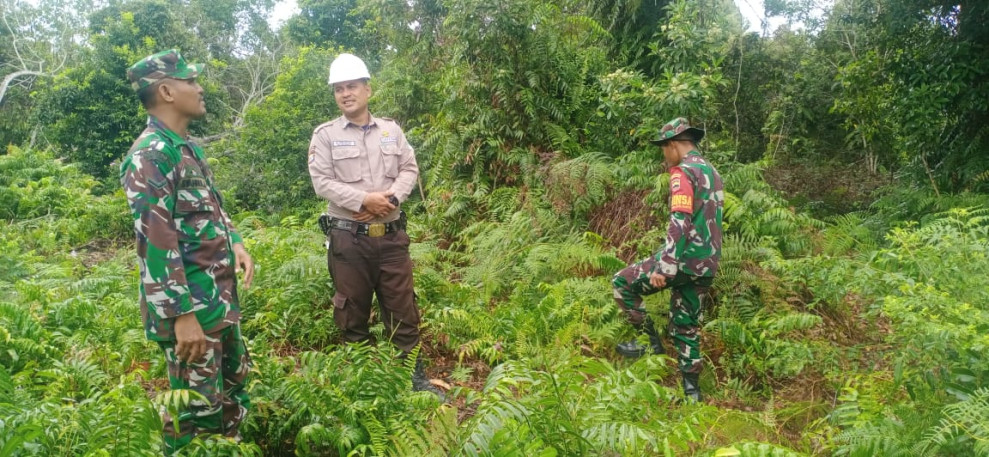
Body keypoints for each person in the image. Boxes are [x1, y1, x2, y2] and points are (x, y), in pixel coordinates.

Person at [120, 49, 255, 453]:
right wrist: (181, 317)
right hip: (191, 311)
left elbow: (211, 208)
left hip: (218, 301)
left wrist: (236, 241)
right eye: (190, 81)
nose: (199, 88)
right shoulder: (150, 156)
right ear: (166, 91)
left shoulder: (185, 147)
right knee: (195, 415)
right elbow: (155, 243)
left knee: (231, 398)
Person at [307, 53, 440, 396]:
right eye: (339, 89)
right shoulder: (325, 136)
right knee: (352, 312)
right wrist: (364, 201)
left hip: (392, 239)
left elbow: (409, 169)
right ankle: (365, 384)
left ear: (367, 89)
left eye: (352, 86)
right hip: (348, 240)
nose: (345, 93)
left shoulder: (391, 131)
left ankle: (414, 379)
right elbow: (321, 182)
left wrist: (391, 199)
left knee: (403, 308)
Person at [611, 117, 724, 402]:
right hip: (707, 264)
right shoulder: (712, 172)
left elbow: (680, 218)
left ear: (675, 145)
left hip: (682, 260)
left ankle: (649, 345)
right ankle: (692, 392)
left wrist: (666, 264)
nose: (664, 154)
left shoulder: (682, 172)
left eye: (664, 148)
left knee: (622, 283)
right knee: (686, 323)